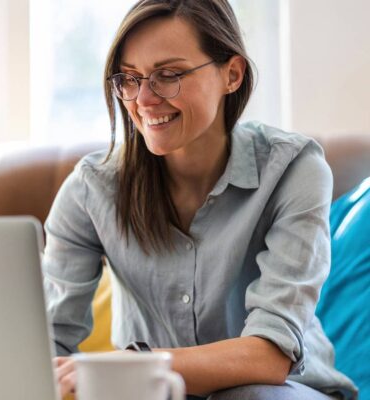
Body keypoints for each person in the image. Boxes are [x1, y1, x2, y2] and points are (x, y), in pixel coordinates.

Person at [42, 0, 359, 399]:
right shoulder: (92, 190)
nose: (144, 100)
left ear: (232, 74)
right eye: (130, 79)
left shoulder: (294, 170)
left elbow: (270, 354)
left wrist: (132, 366)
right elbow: (45, 342)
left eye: (168, 75)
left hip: (287, 391)